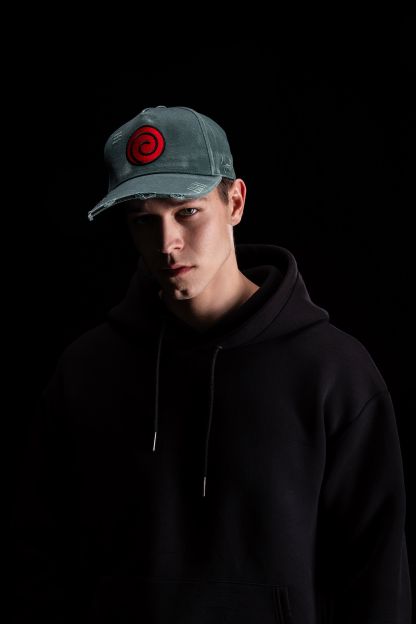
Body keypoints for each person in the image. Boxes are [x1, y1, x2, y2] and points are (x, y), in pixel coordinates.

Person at [9, 106, 412, 623]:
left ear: (235, 202)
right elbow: (37, 561)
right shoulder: (86, 371)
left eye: (187, 211)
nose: (167, 243)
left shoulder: (334, 372)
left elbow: (377, 579)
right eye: (144, 220)